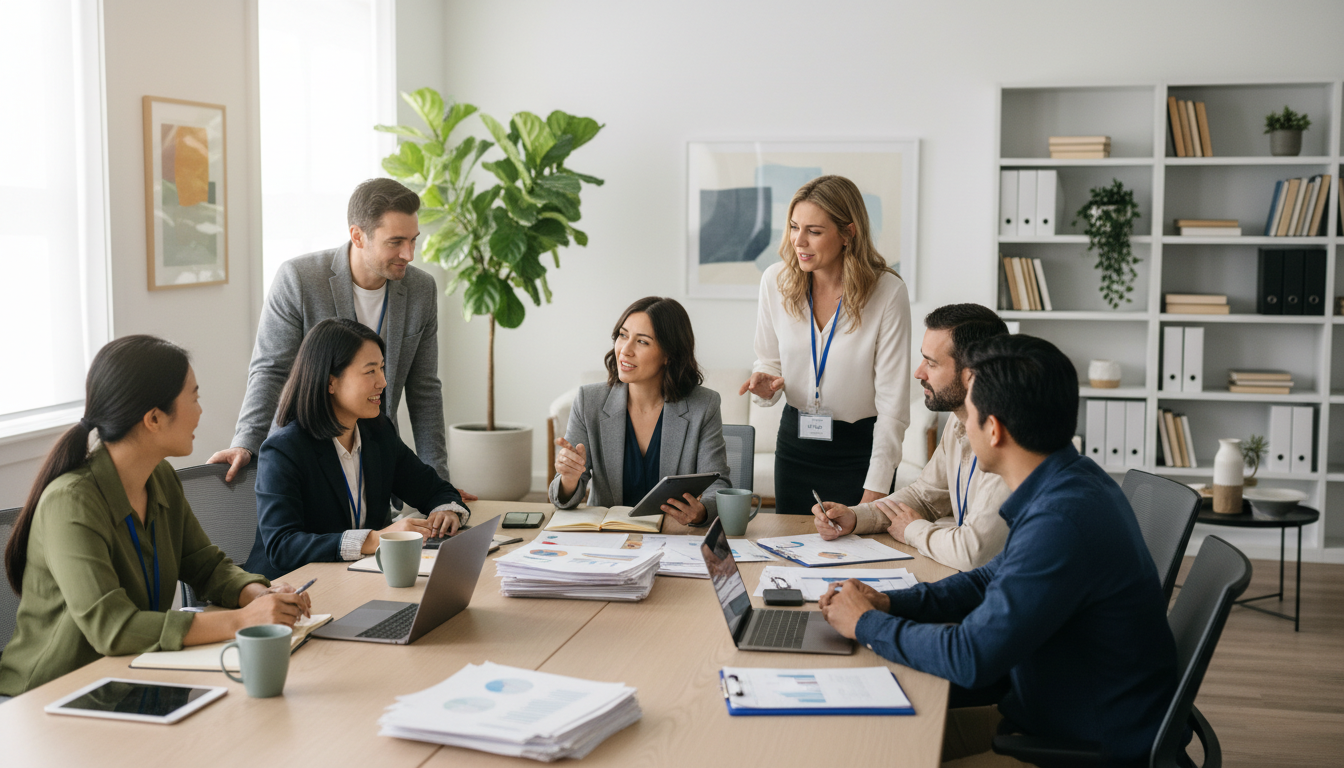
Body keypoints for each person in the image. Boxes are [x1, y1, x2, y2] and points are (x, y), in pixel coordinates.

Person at [818, 335, 1177, 765]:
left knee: (869, 750)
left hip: (1075, 748)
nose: (963, 428)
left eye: (968, 415)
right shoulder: (1072, 481)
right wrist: (891, 602)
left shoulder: (1061, 522)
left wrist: (867, 623)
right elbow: (989, 578)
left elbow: (970, 657)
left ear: (994, 429)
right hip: (1055, 715)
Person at [0, 336, 311, 697]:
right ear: (153, 418)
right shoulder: (70, 503)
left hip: (134, 678)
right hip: (52, 696)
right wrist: (242, 621)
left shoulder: (158, 477)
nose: (200, 411)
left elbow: (205, 566)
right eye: (193, 398)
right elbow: (112, 628)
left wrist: (259, 596)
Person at [210, 178, 471, 503]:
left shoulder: (421, 290)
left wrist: (438, 489)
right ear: (358, 236)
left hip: (378, 465)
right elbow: (270, 370)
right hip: (308, 464)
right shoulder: (299, 279)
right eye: (396, 242)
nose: (409, 254)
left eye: (414, 240)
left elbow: (425, 391)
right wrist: (245, 441)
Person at [243, 319, 470, 580]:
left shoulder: (378, 432)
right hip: (289, 587)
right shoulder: (284, 451)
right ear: (330, 382)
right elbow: (282, 546)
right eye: (370, 371)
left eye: (382, 369)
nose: (383, 382)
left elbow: (434, 489)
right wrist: (374, 539)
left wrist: (446, 510)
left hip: (354, 578)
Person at [740, 175, 910, 514]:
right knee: (789, 553)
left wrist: (873, 494)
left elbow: (893, 408)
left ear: (848, 233)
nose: (798, 241)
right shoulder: (774, 281)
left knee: (860, 559)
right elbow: (769, 361)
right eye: (793, 227)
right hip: (795, 446)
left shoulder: (887, 292)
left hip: (860, 451)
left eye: (814, 231)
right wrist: (765, 385)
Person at [813, 304, 1011, 571]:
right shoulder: (959, 419)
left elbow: (972, 552)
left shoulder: (1008, 438)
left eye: (931, 363)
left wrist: (912, 530)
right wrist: (855, 517)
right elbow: (925, 496)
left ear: (970, 374)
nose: (919, 373)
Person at [550, 297, 730, 525]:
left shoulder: (703, 405)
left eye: (642, 342)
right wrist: (569, 478)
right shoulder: (589, 401)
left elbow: (718, 483)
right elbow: (564, 499)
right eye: (623, 335)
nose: (625, 350)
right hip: (607, 538)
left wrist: (702, 511)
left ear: (669, 355)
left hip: (672, 537)